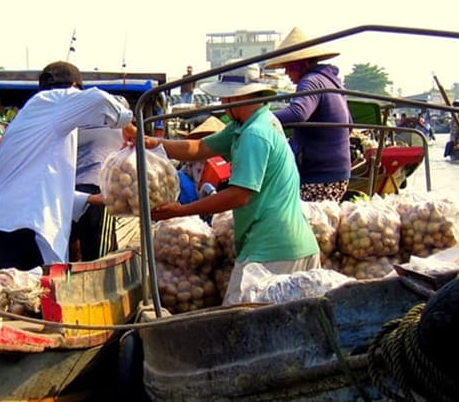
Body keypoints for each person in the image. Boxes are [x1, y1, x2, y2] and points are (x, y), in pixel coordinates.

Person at [123, 63, 319, 305]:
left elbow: (239, 195)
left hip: (272, 250)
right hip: (287, 244)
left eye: (226, 97)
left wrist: (182, 211)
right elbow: (199, 147)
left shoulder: (254, 134)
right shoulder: (251, 124)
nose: (224, 104)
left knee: (238, 324)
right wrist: (151, 142)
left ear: (241, 97)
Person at [0, 61, 134, 271]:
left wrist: (91, 199)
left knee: (3, 299)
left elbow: (42, 186)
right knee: (32, 300)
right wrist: (128, 126)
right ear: (74, 87)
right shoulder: (57, 101)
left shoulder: (30, 115)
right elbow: (99, 99)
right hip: (24, 229)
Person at [264, 27, 352, 202]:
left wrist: (259, 119)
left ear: (303, 64)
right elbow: (350, 121)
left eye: (290, 67)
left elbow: (298, 113)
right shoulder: (330, 80)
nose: (287, 73)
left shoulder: (310, 81)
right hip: (339, 171)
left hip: (320, 175)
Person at [72, 126, 124, 261]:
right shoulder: (119, 129)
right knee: (99, 255)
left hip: (70, 189)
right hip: (99, 188)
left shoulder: (74, 124)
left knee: (70, 245)